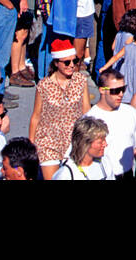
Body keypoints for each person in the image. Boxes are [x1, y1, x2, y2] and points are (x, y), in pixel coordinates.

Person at [29, 39, 91, 179]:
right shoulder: (44, 85)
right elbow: (36, 116)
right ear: (56, 63)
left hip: (73, 141)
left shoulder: (81, 81)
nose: (72, 66)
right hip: (48, 141)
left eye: (74, 61)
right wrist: (31, 144)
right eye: (67, 62)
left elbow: (86, 111)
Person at [86, 68, 136, 179]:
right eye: (115, 91)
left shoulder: (131, 112)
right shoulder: (90, 119)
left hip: (128, 175)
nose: (121, 94)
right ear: (102, 90)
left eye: (123, 89)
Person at [52, 116, 114, 180]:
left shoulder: (105, 162)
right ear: (84, 144)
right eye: (100, 142)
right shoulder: (66, 174)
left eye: (104, 140)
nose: (105, 144)